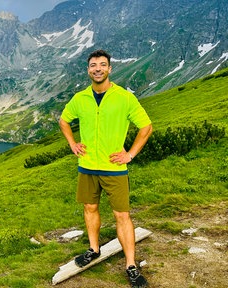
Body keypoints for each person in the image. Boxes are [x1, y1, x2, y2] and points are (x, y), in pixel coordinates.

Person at [59, 49, 152, 288]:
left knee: (122, 215)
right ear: (88, 70)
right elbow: (64, 120)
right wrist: (72, 143)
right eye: (93, 65)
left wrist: (129, 154)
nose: (97, 68)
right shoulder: (80, 98)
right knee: (90, 208)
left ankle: (131, 265)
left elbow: (146, 127)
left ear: (110, 69)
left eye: (102, 65)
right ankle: (94, 249)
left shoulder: (124, 97)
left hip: (114, 167)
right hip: (87, 166)